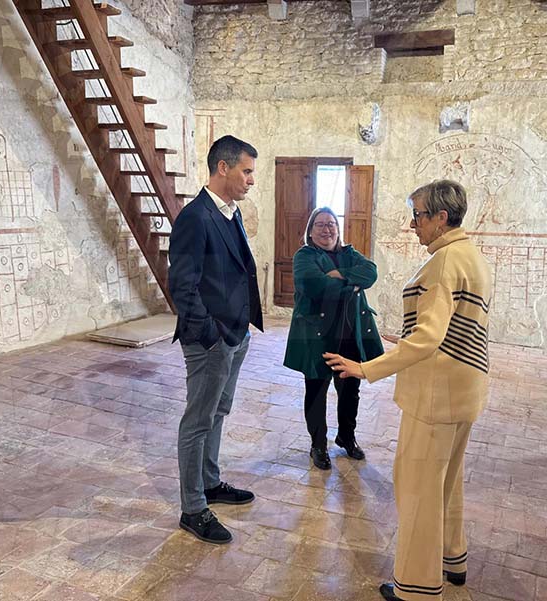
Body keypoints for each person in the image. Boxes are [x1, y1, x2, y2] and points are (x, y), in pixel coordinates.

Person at [324, 180, 493, 601]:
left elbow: (428, 338)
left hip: (435, 396)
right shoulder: (471, 255)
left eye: (418, 215)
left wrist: (366, 368)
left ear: (441, 217)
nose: (412, 224)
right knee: (447, 482)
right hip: (464, 388)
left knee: (418, 491)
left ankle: (417, 587)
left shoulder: (442, 263)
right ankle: (452, 559)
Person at [168, 135, 263, 545]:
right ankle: (193, 508)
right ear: (223, 168)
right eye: (247, 171)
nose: (251, 180)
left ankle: (209, 482)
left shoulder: (229, 212)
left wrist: (240, 330)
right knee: (197, 421)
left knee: (218, 411)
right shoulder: (196, 217)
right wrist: (210, 336)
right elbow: (182, 286)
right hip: (211, 340)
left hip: (235, 334)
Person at [284, 207, 383, 470]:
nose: (326, 229)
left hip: (349, 333)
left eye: (331, 224)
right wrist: (352, 283)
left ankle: (346, 437)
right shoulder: (304, 256)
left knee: (350, 390)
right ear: (310, 231)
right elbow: (313, 284)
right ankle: (318, 444)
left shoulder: (349, 253)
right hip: (318, 334)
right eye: (320, 224)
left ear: (338, 229)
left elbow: (371, 272)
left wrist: (339, 275)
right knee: (316, 390)